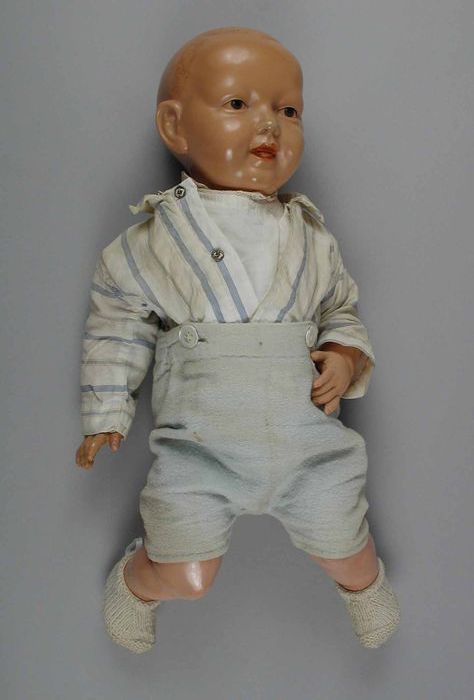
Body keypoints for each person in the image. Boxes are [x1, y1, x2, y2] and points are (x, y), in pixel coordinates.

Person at [75, 26, 400, 654]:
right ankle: (138, 583)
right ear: (174, 126)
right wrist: (106, 410)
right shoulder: (156, 239)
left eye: (289, 110)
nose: (270, 124)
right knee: (187, 576)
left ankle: (364, 586)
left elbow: (340, 309)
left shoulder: (312, 237)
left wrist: (344, 356)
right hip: (199, 453)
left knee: (350, 552)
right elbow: (116, 321)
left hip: (310, 450)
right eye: (237, 104)